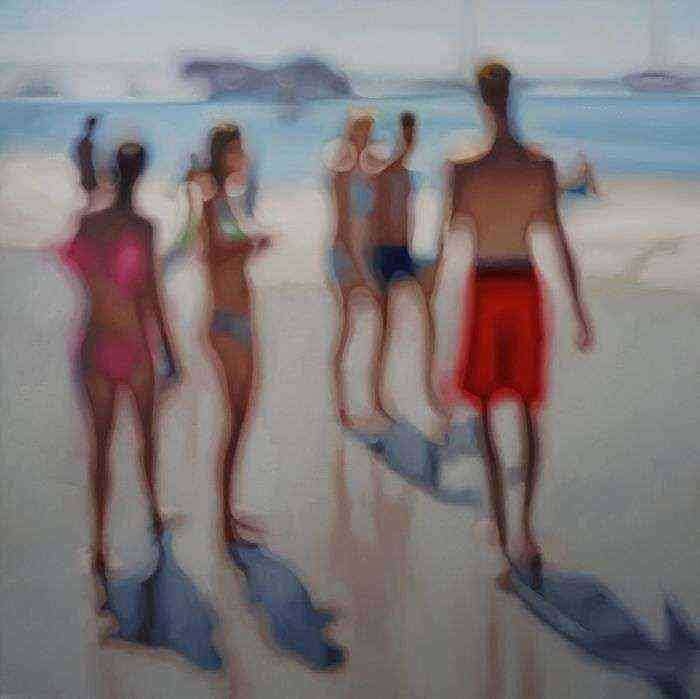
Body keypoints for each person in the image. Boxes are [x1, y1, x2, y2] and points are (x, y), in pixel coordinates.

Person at [437, 62, 593, 587]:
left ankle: (504, 533)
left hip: (485, 286)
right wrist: (579, 310)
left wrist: (428, 299)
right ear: (512, 96)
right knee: (526, 410)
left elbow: (448, 237)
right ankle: (524, 530)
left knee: (485, 412)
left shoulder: (462, 167)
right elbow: (559, 242)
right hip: (523, 286)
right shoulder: (540, 166)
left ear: (480, 100)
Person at [62, 142, 179, 583]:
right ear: (142, 174)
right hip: (134, 345)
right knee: (146, 435)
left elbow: (80, 273)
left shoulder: (88, 222)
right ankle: (153, 512)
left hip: (96, 341)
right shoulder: (143, 227)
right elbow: (152, 296)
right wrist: (171, 351)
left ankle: (98, 544)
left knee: (102, 446)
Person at [183, 124, 271, 545]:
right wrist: (252, 245)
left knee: (241, 416)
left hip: (238, 318)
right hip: (225, 320)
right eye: (236, 149)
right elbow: (211, 254)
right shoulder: (210, 201)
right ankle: (223, 519)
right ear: (222, 154)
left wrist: (250, 242)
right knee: (234, 419)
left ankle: (228, 512)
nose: (242, 156)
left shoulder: (227, 199)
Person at [364, 112, 444, 422]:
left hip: (406, 251)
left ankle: (430, 388)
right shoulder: (384, 172)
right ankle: (377, 395)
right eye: (407, 134)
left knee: (428, 316)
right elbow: (372, 219)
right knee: (385, 327)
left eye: (413, 135)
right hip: (383, 253)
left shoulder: (408, 175)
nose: (410, 141)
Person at [326, 111, 383, 427]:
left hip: (363, 253)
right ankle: (342, 403)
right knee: (347, 327)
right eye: (361, 133)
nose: (365, 139)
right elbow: (345, 228)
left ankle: (372, 397)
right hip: (345, 256)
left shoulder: (368, 171)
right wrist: (361, 269)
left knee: (373, 327)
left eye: (368, 133)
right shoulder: (342, 173)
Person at [74, 116, 99, 206]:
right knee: (91, 197)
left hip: (87, 171)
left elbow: (78, 158)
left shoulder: (84, 142)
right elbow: (81, 158)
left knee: (91, 197)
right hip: (87, 172)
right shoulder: (84, 142)